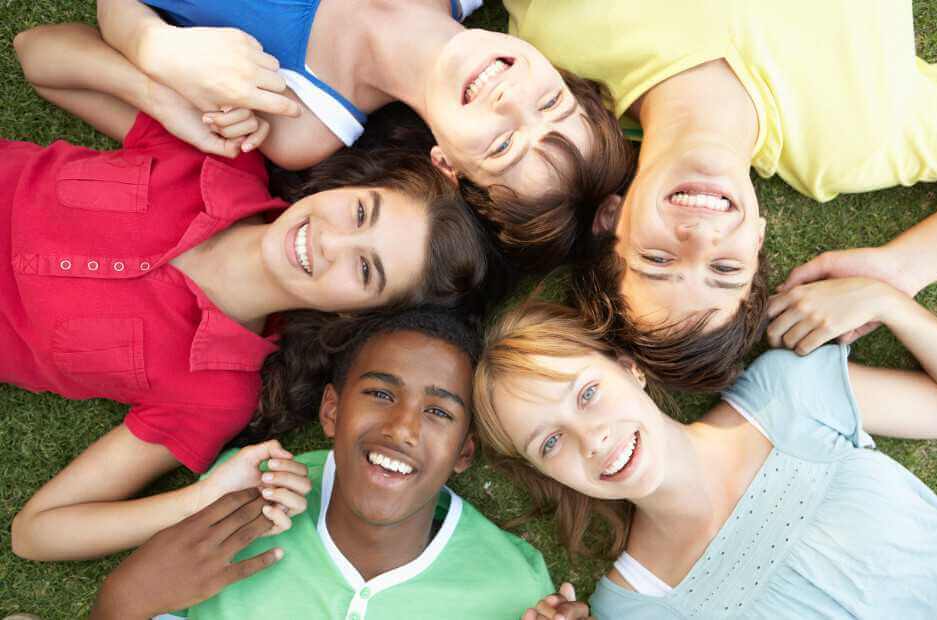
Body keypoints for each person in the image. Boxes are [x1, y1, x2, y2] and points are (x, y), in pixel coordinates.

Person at [6, 23, 490, 561]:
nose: (331, 240)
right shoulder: (219, 156)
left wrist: (202, 498)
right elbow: (37, 54)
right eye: (359, 212)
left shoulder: (214, 394)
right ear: (352, 183)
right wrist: (160, 100)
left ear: (356, 313)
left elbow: (37, 533)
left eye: (365, 271)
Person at [505, 0, 937, 388]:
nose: (700, 237)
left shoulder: (554, 68)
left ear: (610, 218)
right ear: (758, 241)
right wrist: (901, 266)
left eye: (658, 260)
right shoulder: (852, 143)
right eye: (725, 267)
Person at [88, 308, 592, 620]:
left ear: (464, 452)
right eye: (379, 393)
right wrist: (123, 601)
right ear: (332, 410)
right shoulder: (239, 503)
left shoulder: (514, 587)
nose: (402, 428)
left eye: (438, 411)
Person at [471, 294, 937, 617]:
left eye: (587, 393)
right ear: (542, 471)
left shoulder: (785, 396)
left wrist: (886, 301)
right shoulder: (638, 606)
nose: (591, 439)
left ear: (629, 368)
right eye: (549, 443)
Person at [93, 0, 637, 270]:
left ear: (448, 165)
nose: (511, 99)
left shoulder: (298, 122)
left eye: (502, 146)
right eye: (551, 102)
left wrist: (156, 50)